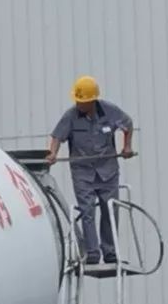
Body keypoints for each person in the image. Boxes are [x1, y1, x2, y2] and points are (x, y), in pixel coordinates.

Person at [46, 75, 134, 265]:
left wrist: (127, 146)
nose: (79, 104)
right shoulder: (70, 116)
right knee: (87, 211)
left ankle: (110, 252)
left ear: (93, 100)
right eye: (77, 100)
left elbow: (128, 124)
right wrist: (52, 154)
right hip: (83, 172)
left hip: (108, 170)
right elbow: (57, 137)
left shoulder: (110, 111)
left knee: (110, 210)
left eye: (83, 101)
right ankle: (92, 253)